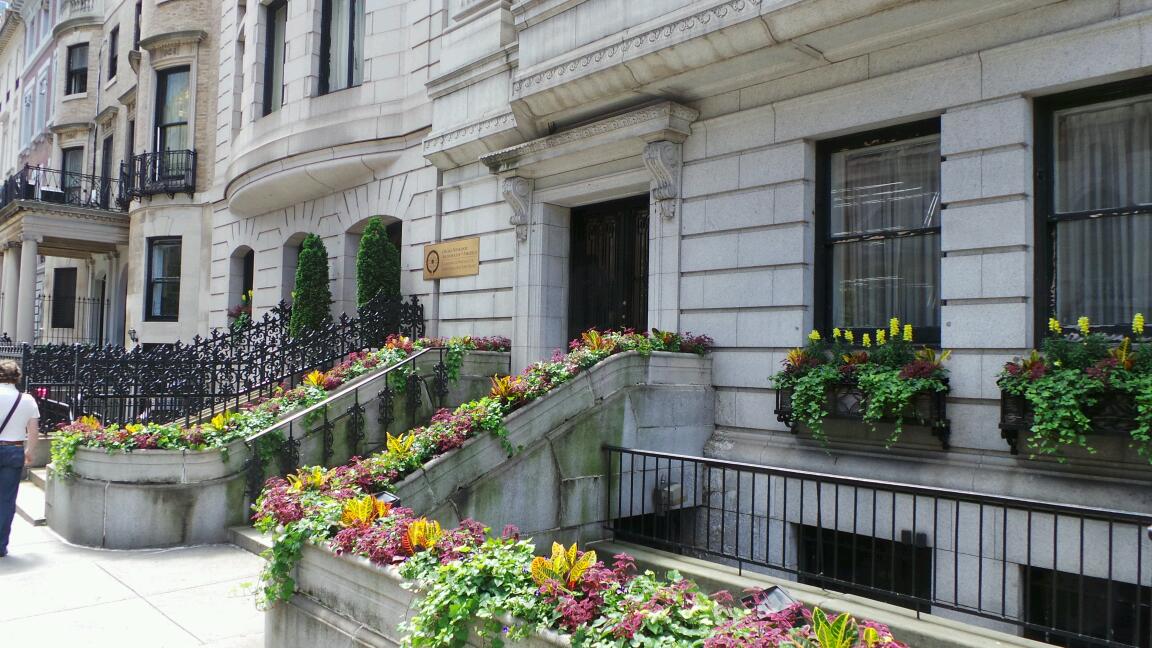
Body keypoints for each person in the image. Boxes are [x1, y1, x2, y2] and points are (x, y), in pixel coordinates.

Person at [0, 359, 40, 557]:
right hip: (14, 450)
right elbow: (33, 431)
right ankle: (0, 545)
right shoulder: (27, 400)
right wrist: (29, 452)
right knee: (6, 500)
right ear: (17, 377)